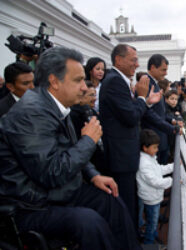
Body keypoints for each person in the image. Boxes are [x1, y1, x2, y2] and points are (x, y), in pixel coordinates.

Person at [0, 47, 140, 250]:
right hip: (30, 206)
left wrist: (93, 175)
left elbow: (67, 149)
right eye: (78, 80)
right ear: (54, 81)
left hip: (53, 193)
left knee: (112, 201)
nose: (85, 87)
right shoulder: (31, 113)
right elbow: (51, 172)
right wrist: (88, 141)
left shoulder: (53, 105)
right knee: (89, 222)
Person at [99, 44, 162, 227]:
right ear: (118, 59)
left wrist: (146, 102)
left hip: (124, 155)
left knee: (129, 203)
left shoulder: (117, 80)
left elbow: (129, 112)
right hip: (121, 157)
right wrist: (142, 98)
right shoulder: (114, 82)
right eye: (133, 59)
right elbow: (131, 116)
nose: (137, 64)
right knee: (126, 205)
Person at [136, 129, 173, 244]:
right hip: (151, 199)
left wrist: (173, 166)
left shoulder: (148, 158)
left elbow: (159, 170)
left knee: (152, 221)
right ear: (145, 148)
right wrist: (172, 180)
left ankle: (153, 235)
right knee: (152, 222)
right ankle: (149, 241)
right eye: (155, 147)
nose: (157, 150)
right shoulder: (144, 163)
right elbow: (155, 181)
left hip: (152, 197)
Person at [142, 54, 178, 165]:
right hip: (154, 137)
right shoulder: (147, 84)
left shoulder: (154, 84)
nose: (166, 73)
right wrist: (170, 128)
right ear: (153, 67)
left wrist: (172, 121)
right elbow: (149, 113)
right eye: (163, 70)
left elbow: (160, 112)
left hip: (160, 136)